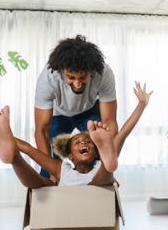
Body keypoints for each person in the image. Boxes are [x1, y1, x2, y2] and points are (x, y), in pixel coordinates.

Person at [0, 82, 152, 188]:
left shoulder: (98, 164)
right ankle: (14, 158)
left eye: (88, 141)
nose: (83, 143)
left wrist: (142, 105)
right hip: (65, 200)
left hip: (98, 185)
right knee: (41, 184)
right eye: (77, 142)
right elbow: (28, 149)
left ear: (95, 151)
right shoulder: (60, 168)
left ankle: (109, 163)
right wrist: (1, 135)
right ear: (70, 156)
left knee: (104, 176)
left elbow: (122, 134)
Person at [34, 35, 118, 181]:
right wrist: (52, 172)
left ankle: (103, 179)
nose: (77, 84)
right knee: (49, 168)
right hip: (59, 114)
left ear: (91, 72)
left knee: (99, 156)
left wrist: (106, 167)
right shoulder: (48, 78)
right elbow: (41, 130)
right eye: (71, 78)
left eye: (83, 77)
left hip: (89, 111)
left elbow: (110, 122)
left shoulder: (104, 73)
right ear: (61, 72)